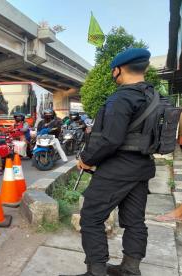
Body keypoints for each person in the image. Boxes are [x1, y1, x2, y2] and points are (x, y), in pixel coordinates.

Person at [64, 48, 156, 276]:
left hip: (117, 168)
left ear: (118, 70)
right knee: (135, 220)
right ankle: (130, 269)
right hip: (142, 167)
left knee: (91, 218)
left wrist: (86, 159)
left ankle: (96, 272)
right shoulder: (153, 96)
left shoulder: (123, 97)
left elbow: (110, 139)